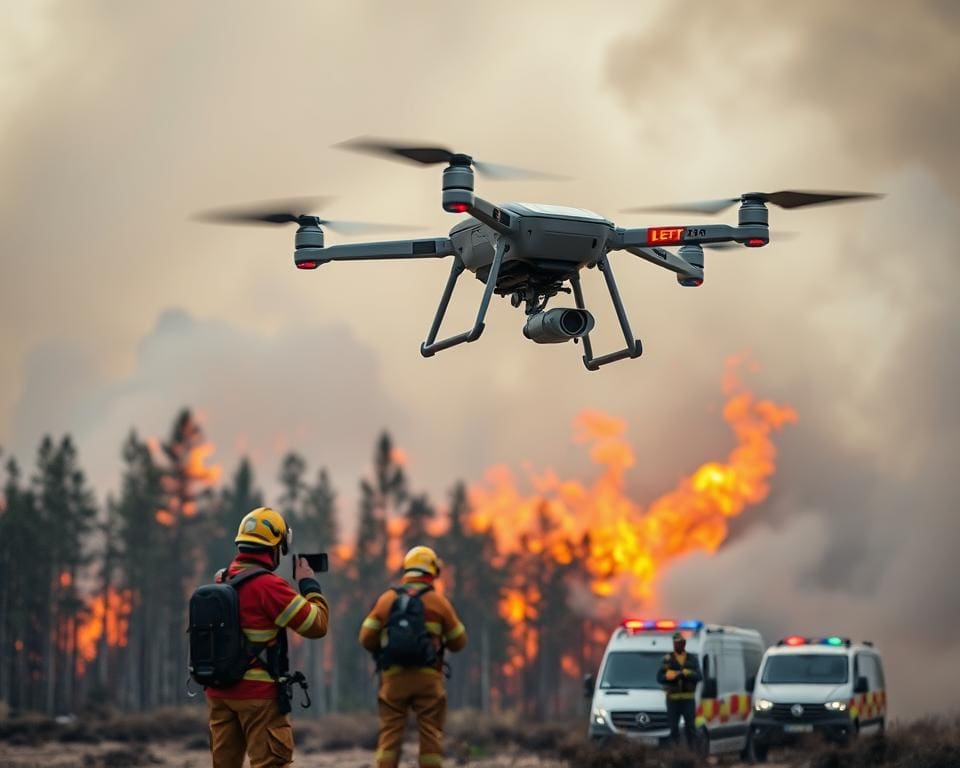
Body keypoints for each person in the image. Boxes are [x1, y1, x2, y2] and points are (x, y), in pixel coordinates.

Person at [206, 507, 329, 768]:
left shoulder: (221, 579)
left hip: (219, 693)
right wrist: (309, 584)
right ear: (275, 548)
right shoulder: (269, 587)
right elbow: (317, 625)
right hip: (258, 697)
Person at [359, 545, 467, 768]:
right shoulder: (439, 602)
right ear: (432, 573)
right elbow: (459, 642)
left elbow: (366, 638)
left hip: (393, 679)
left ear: (407, 570)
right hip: (428, 679)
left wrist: (384, 650)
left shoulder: (387, 600)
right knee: (430, 733)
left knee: (390, 734)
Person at [656, 631, 702, 749]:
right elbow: (659, 678)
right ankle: (675, 755)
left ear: (684, 644)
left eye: (680, 643)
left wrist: (688, 673)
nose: (678, 645)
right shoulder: (667, 659)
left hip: (688, 700)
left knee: (691, 729)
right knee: (673, 729)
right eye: (675, 643)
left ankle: (692, 755)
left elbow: (699, 676)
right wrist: (669, 676)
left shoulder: (692, 659)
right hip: (672, 700)